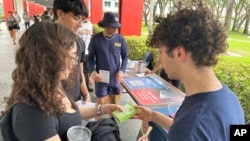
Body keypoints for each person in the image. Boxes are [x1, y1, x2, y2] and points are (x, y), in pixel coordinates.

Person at [135, 1, 245, 141]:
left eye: (161, 51)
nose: (160, 58)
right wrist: (153, 115)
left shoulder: (190, 128)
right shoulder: (230, 98)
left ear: (179, 54)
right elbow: (187, 129)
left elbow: (188, 131)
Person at [1, 22, 122, 141]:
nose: (74, 63)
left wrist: (102, 109)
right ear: (48, 60)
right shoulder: (33, 115)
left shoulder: (49, 83)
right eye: (70, 56)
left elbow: (68, 113)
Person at [53, 0, 91, 102]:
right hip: (49, 103)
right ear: (60, 14)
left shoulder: (79, 42)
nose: (80, 25)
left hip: (75, 101)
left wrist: (86, 94)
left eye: (82, 20)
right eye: (77, 18)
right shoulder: (42, 40)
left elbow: (79, 70)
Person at [88, 12, 128, 104]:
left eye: (116, 27)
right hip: (101, 78)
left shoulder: (120, 39)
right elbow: (90, 58)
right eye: (111, 26)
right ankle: (99, 119)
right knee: (101, 106)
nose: (114, 29)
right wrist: (92, 71)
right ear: (105, 25)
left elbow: (125, 56)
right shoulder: (95, 40)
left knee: (113, 104)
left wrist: (122, 71)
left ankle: (112, 119)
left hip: (115, 78)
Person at [78, 18, 94, 92]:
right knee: (78, 70)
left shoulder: (90, 24)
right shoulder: (78, 24)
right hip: (78, 50)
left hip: (87, 51)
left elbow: (91, 34)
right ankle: (80, 88)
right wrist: (80, 32)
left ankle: (87, 87)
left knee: (86, 70)